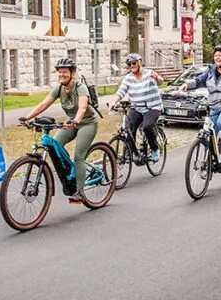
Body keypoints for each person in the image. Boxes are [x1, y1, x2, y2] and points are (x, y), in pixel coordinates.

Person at [19, 58, 100, 204]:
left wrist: (76, 120)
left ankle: (79, 191)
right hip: (70, 123)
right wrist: (27, 117)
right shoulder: (59, 88)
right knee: (55, 144)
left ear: (72, 74)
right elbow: (44, 104)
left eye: (65, 72)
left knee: (79, 156)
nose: (61, 74)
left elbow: (82, 107)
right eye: (59, 72)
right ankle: (71, 171)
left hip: (87, 123)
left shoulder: (80, 87)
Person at [181, 44, 221, 154]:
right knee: (211, 136)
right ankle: (212, 162)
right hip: (214, 106)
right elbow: (199, 80)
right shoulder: (211, 70)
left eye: (220, 55)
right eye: (216, 56)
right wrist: (187, 84)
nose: (217, 58)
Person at [110, 53, 164, 162]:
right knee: (129, 128)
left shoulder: (149, 73)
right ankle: (132, 152)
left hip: (152, 107)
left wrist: (157, 77)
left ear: (140, 62)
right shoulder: (128, 78)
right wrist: (113, 103)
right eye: (129, 64)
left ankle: (155, 149)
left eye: (134, 63)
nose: (132, 66)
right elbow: (121, 92)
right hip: (136, 107)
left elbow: (160, 82)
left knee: (147, 127)